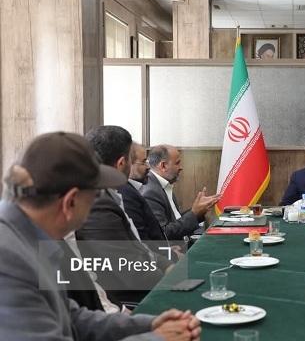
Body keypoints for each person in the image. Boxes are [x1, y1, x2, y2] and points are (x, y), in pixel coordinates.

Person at [0, 131, 200, 340]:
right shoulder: (9, 261)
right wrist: (157, 338)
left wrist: (147, 325)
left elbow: (72, 318)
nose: (97, 204)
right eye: (95, 196)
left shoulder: (31, 235)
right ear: (70, 202)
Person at [76, 126, 172, 304]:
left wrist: (167, 266)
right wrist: (171, 279)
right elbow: (134, 272)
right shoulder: (97, 205)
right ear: (122, 163)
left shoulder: (109, 193)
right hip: (132, 300)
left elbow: (140, 248)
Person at [142, 145, 220, 241]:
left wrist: (199, 210)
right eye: (177, 163)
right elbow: (164, 233)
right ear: (163, 166)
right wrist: (194, 213)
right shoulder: (150, 192)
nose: (181, 167)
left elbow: (175, 220)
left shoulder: (164, 185)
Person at [119, 143, 168, 242]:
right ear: (127, 163)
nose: (148, 167)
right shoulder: (127, 195)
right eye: (143, 162)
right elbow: (142, 240)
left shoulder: (134, 190)